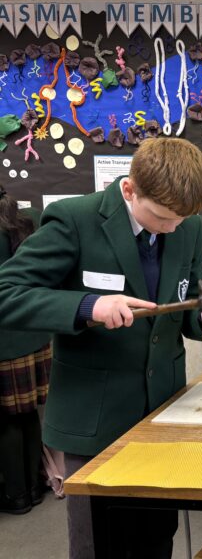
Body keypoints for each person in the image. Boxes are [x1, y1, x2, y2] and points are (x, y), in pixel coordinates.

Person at [0, 138, 202, 559]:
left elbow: (192, 291)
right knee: (100, 542)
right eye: (162, 217)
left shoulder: (185, 226)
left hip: (161, 412)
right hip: (94, 419)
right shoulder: (76, 219)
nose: (172, 228)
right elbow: (8, 292)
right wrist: (87, 306)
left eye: (181, 219)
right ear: (129, 189)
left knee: (156, 536)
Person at [0, 185, 51, 515]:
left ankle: (16, 495)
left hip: (5, 341)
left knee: (6, 421)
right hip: (35, 334)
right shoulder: (30, 217)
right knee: (28, 414)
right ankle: (34, 487)